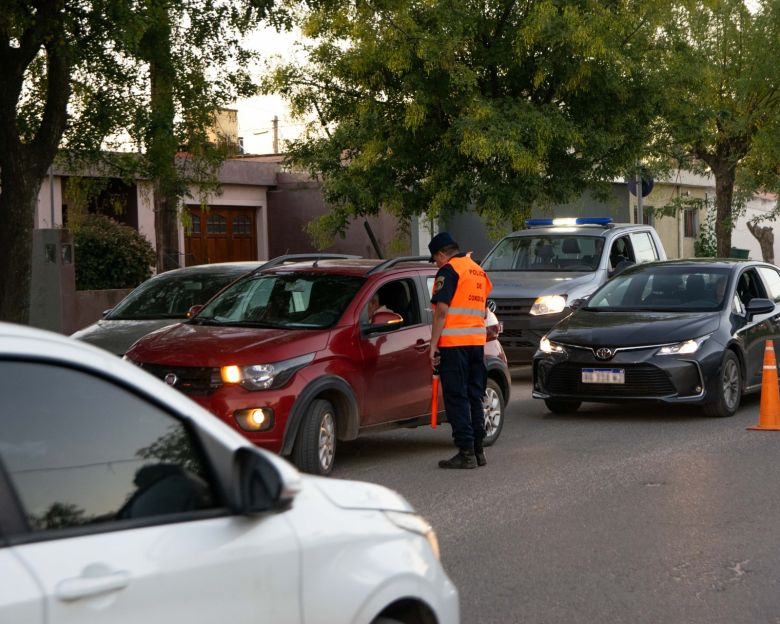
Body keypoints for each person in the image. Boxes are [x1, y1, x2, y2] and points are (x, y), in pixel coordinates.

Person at [428, 231, 492, 469]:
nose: (436, 263)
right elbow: (483, 310)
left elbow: (442, 311)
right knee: (474, 396)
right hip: (477, 343)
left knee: (457, 397)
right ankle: (478, 451)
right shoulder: (477, 269)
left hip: (455, 346)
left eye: (435, 258)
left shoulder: (449, 270)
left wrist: (433, 345)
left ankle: (465, 453)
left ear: (443, 254)